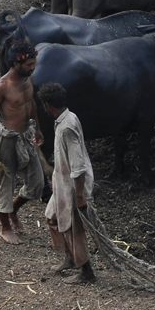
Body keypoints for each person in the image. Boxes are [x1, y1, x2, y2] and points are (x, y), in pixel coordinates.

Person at [0, 41, 44, 245]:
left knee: (37, 183)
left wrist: (38, 127)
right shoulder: (2, 86)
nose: (33, 67)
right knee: (4, 184)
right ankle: (5, 227)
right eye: (29, 64)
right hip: (7, 140)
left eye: (34, 63)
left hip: (26, 137)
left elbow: (30, 103)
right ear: (17, 63)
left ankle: (14, 209)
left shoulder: (28, 78)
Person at [39, 82, 96, 284]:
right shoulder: (65, 120)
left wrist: (79, 195)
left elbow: (78, 165)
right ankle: (70, 258)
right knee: (52, 216)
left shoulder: (67, 127)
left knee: (74, 228)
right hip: (62, 183)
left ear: (47, 105)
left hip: (72, 186)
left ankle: (87, 272)